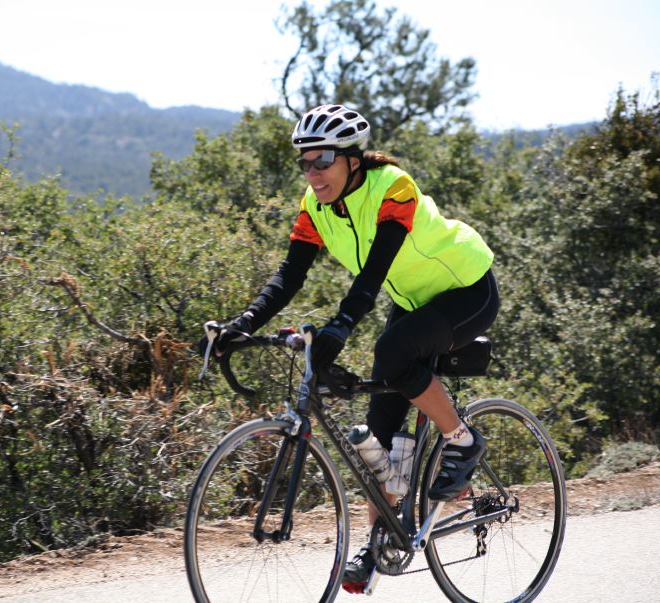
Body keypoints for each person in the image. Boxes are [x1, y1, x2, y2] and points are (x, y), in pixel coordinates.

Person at [205, 104, 500, 592]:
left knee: (393, 352)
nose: (312, 172)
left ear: (352, 159)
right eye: (304, 162)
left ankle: (464, 441)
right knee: (379, 435)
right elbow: (289, 275)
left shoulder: (393, 187)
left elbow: (373, 273)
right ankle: (381, 537)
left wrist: (341, 328)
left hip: (466, 288)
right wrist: (244, 323)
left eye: (322, 159)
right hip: (413, 300)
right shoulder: (315, 205)